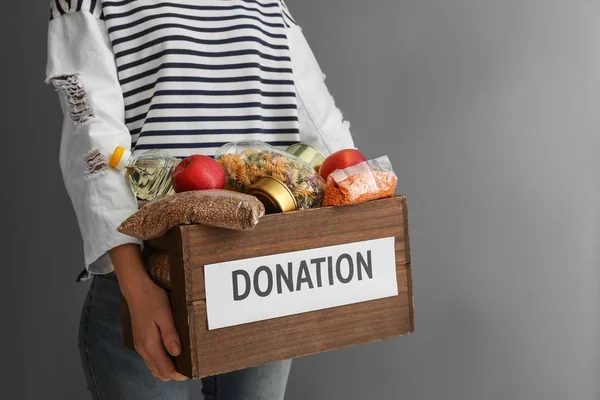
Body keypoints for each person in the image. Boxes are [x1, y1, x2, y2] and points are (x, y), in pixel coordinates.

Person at [45, 1, 355, 399]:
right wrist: (136, 287)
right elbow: (92, 137)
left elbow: (320, 123)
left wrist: (358, 191)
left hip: (256, 276)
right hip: (150, 276)